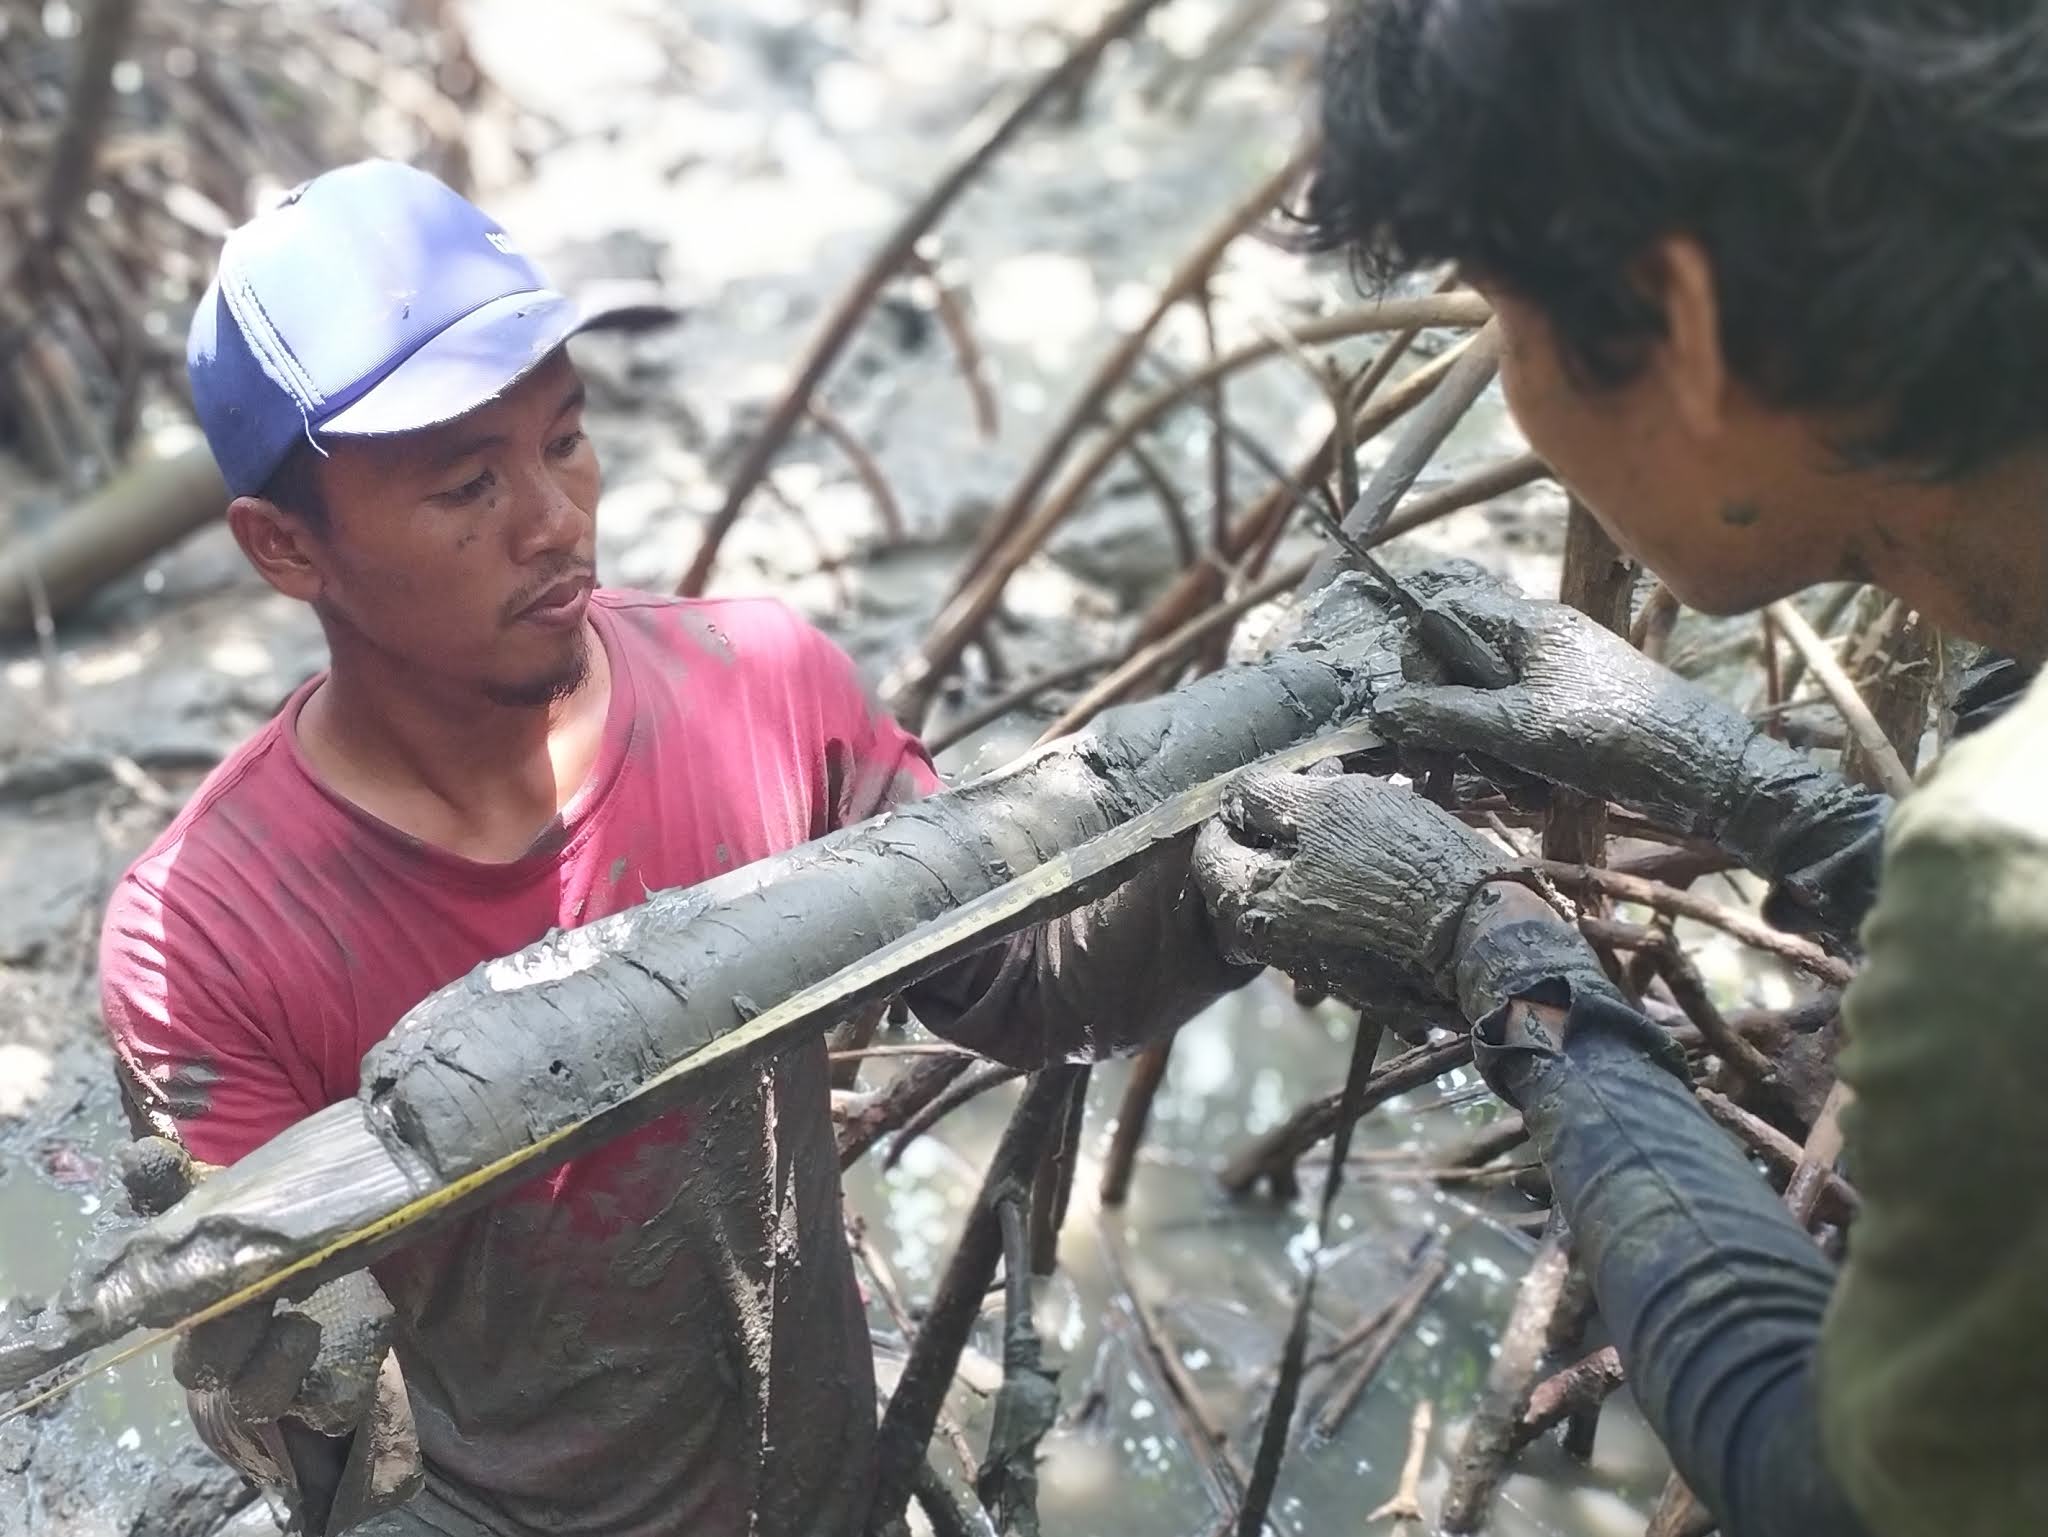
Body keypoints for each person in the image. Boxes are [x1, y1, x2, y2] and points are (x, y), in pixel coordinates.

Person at [98, 159, 1254, 1537]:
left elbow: (1021, 976)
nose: (554, 515)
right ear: (287, 547)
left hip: (827, 1486)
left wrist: (1243, 879)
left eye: (566, 437)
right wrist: (264, 1358)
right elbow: (291, 1388)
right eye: (469, 481)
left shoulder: (762, 688)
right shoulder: (206, 934)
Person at [1192, 6, 2048, 1537]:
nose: (1510, 381)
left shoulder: (2008, 874)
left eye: (1501, 313)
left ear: (1683, 322)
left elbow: (1840, 1496)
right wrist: (1715, 763)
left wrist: (1508, 970)